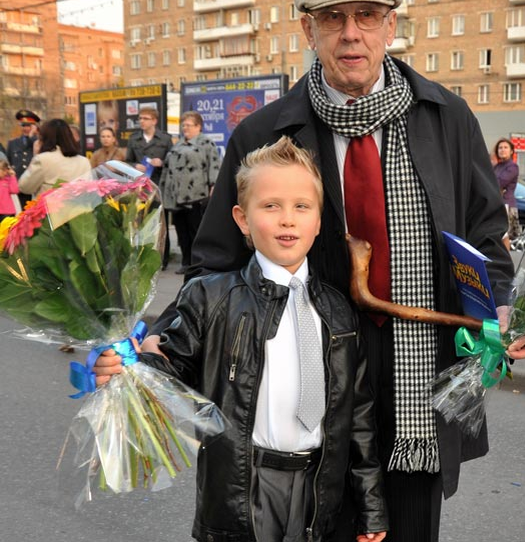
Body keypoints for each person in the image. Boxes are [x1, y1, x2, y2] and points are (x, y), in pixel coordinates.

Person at [145, 0, 525, 542]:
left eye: (367, 16)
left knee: (407, 529)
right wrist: (160, 344)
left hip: (418, 384)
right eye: (333, 19)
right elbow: (216, 263)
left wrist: (499, 308)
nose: (352, 33)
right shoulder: (264, 134)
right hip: (305, 391)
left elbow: (485, 234)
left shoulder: (447, 118)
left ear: (390, 26)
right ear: (309, 31)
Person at [94, 137, 388, 542]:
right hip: (241, 488)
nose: (288, 219)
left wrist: (371, 508)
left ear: (319, 221)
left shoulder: (338, 310)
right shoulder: (210, 297)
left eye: (302, 207)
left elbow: (358, 417)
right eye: (271, 206)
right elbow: (170, 371)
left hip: (317, 491)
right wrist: (129, 368)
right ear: (243, 219)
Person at [159, 110, 221, 274]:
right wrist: (163, 190)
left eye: (188, 125)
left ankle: (198, 263)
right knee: (182, 232)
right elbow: (167, 169)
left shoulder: (206, 143)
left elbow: (214, 166)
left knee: (196, 231)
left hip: (196, 195)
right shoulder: (177, 144)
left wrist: (213, 186)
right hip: (176, 196)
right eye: (183, 125)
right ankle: (186, 262)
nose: (184, 128)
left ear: (198, 126)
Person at [126, 107, 174, 268]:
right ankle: (142, 257)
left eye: (145, 118)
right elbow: (128, 161)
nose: (141, 121)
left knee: (160, 223)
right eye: (140, 118)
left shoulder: (165, 139)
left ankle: (163, 259)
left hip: (159, 185)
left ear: (154, 120)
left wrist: (162, 162)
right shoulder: (134, 139)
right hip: (140, 187)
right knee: (140, 223)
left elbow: (173, 160)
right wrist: (135, 165)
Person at [18, 118, 91, 198]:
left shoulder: (42, 159)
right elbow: (88, 191)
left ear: (45, 138)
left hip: (49, 208)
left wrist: (36, 155)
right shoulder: (84, 161)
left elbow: (24, 187)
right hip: (78, 208)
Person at [6, 109, 40, 208]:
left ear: (34, 126)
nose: (25, 128)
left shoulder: (38, 142)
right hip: (20, 184)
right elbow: (9, 162)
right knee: (23, 212)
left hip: (35, 182)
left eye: (29, 126)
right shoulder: (13, 143)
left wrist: (31, 136)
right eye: (23, 125)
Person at [493, 138, 520, 242]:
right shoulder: (496, 167)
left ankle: (507, 258)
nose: (502, 150)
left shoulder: (512, 166)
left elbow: (500, 183)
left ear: (511, 151)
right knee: (498, 236)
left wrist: (496, 186)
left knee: (505, 236)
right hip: (496, 204)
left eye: (505, 147)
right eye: (500, 148)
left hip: (506, 205)